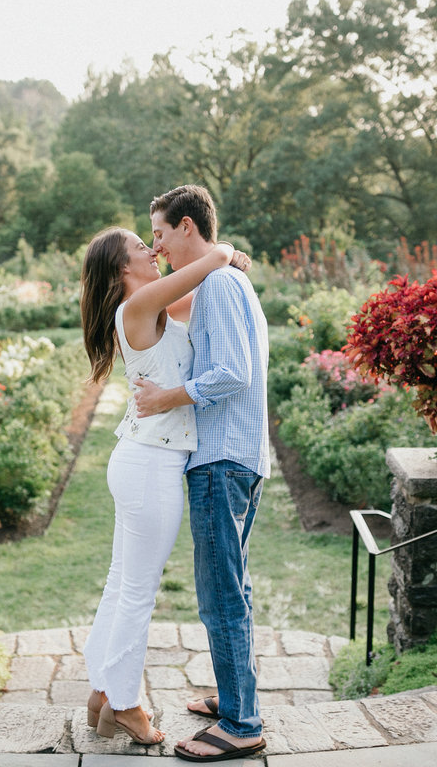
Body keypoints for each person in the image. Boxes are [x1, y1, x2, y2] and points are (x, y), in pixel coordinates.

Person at [78, 225, 247, 746]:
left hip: (143, 461)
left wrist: (229, 268)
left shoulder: (152, 310)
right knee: (137, 592)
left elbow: (210, 287)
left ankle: (104, 690)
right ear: (122, 269)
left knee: (121, 581)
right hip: (151, 465)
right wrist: (221, 251)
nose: (151, 252)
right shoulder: (137, 306)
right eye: (140, 247)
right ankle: (127, 704)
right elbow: (210, 262)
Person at [133, 185, 270, 762]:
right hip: (234, 455)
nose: (156, 246)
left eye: (160, 233)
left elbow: (232, 373)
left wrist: (165, 399)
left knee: (220, 595)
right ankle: (234, 695)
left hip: (221, 459)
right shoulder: (217, 280)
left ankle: (242, 725)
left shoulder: (219, 283)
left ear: (187, 226)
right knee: (229, 585)